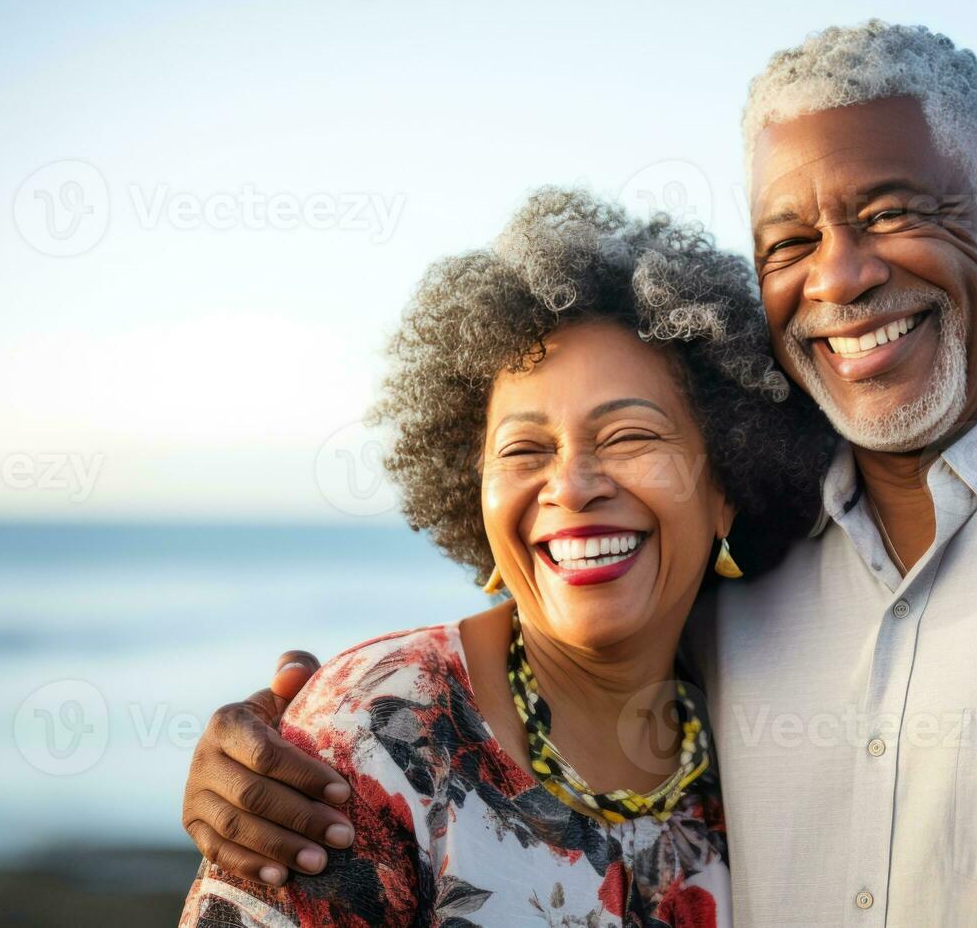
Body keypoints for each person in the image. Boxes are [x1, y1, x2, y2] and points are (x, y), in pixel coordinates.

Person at [178, 22, 977, 925]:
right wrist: (269, 743)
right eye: (789, 240)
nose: (841, 275)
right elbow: (542, 680)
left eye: (890, 211)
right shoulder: (742, 587)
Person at [180, 189, 832, 926]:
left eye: (628, 437)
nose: (574, 486)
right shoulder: (379, 730)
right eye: (525, 449)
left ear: (728, 485)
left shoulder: (747, 725)